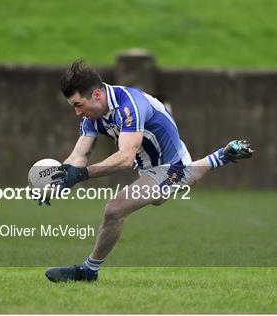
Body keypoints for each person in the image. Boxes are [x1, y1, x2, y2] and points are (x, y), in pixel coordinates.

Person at [45, 60, 254, 282]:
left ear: (97, 95)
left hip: (169, 165)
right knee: (160, 198)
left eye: (78, 105)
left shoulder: (129, 106)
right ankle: (221, 156)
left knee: (115, 209)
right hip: (147, 167)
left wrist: (81, 175)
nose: (77, 113)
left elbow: (125, 158)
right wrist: (55, 180)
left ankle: (89, 271)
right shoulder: (93, 116)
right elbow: (78, 156)